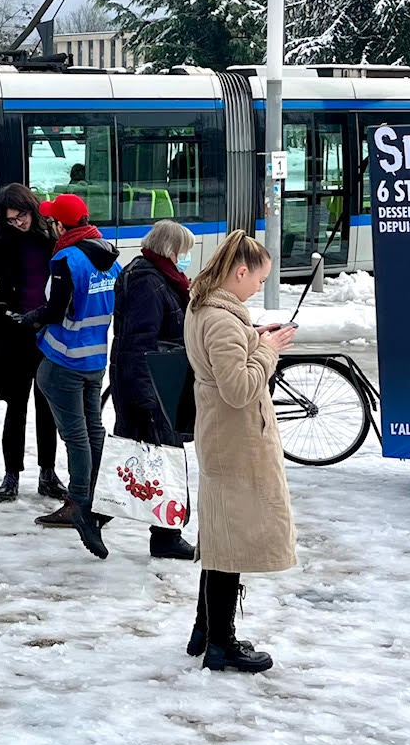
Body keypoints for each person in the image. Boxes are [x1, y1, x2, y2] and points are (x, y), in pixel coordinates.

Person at [184, 230, 298, 673]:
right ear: (240, 271)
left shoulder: (205, 307)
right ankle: (221, 644)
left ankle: (205, 631)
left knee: (219, 539)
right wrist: (266, 352)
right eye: (258, 280)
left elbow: (223, 360)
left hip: (220, 436)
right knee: (230, 545)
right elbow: (238, 388)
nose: (258, 288)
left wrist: (254, 338)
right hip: (236, 440)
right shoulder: (222, 319)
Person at [21, 192, 121, 559]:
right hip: (95, 358)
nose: (50, 225)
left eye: (53, 220)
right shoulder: (109, 257)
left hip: (63, 359)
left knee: (76, 436)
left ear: (62, 225)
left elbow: (55, 309)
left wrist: (29, 318)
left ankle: (79, 503)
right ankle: (93, 498)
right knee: (93, 431)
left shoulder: (66, 258)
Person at [110, 219, 196, 561]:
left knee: (151, 461)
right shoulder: (148, 280)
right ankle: (94, 514)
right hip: (152, 383)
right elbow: (138, 341)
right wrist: (148, 395)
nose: (186, 258)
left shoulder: (157, 275)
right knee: (160, 460)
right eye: (184, 252)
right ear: (171, 250)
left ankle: (165, 534)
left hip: (158, 380)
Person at [0, 184, 65, 505]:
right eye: (11, 219)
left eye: (22, 216)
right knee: (16, 406)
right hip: (13, 332)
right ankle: (11, 473)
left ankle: (48, 472)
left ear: (32, 209)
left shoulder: (48, 235)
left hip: (46, 331)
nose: (18, 223)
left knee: (47, 406)